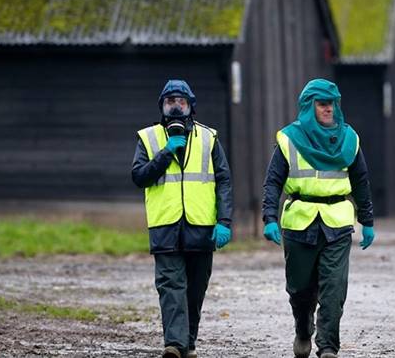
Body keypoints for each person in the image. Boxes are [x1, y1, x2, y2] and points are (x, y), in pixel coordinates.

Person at [261, 78, 375, 358]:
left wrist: (367, 221)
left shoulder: (349, 139)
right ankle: (303, 329)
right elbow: (273, 181)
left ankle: (328, 347)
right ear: (308, 107)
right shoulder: (289, 139)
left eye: (332, 104)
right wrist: (269, 217)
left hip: (337, 223)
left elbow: (361, 181)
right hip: (299, 223)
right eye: (322, 104)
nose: (328, 110)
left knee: (333, 290)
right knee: (300, 290)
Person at [132, 79, 233, 358]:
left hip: (201, 227)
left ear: (191, 107)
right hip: (165, 226)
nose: (175, 107)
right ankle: (174, 345)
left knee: (195, 290)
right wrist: (166, 153)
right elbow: (139, 177)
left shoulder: (209, 138)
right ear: (162, 107)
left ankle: (186, 343)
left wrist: (224, 221)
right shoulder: (149, 138)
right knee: (171, 286)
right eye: (170, 102)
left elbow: (224, 181)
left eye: (181, 102)